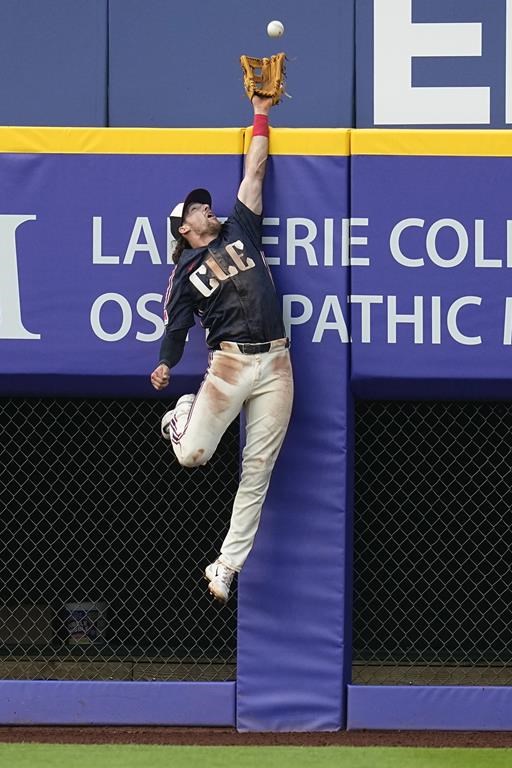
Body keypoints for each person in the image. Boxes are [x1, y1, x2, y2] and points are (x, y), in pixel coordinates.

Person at [150, 94, 293, 604]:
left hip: (277, 362)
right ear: (184, 230)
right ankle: (180, 415)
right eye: (195, 208)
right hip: (230, 364)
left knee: (258, 469)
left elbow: (255, 171)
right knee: (191, 455)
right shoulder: (185, 273)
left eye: (203, 203)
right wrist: (166, 363)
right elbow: (176, 325)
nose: (204, 206)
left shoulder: (240, 229)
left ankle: (226, 565)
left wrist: (261, 112)